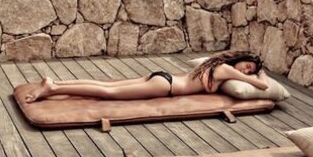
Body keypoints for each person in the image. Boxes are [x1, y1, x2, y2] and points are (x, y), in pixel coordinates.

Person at [24, 50, 269, 102]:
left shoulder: (218, 65)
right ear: (239, 62)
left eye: (249, 70)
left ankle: (55, 83)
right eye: (247, 67)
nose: (246, 72)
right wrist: (262, 74)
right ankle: (52, 90)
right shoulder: (225, 70)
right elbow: (263, 87)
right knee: (108, 92)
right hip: (166, 86)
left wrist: (254, 70)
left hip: (163, 77)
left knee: (104, 84)